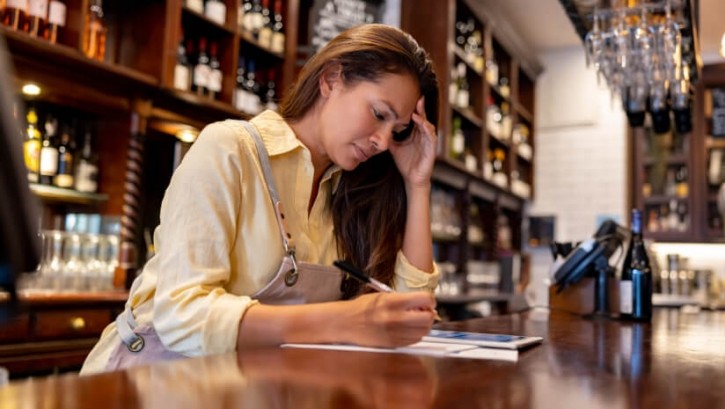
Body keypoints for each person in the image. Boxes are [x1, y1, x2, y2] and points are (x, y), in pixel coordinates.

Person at [80, 23, 441, 374]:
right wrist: (341, 320)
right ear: (331, 79)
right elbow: (181, 317)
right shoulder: (229, 149)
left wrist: (417, 183)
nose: (382, 141)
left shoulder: (346, 193)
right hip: (143, 384)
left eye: (396, 130)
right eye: (378, 114)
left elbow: (406, 313)